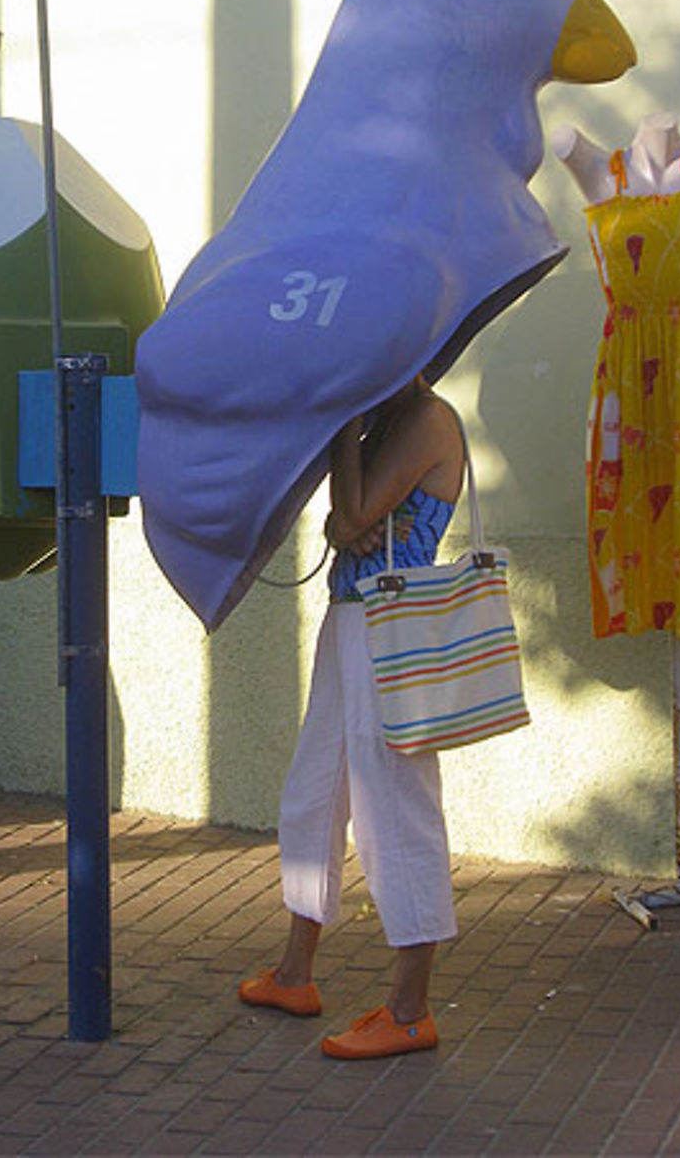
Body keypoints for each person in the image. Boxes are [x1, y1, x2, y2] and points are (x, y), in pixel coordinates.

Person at [239, 374, 466, 1059]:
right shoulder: (387, 420)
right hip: (352, 622)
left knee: (395, 808)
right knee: (314, 794)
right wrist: (354, 509)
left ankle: (409, 1007)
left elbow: (354, 512)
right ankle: (295, 971)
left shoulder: (426, 419)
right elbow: (346, 522)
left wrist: (344, 427)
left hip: (391, 630)